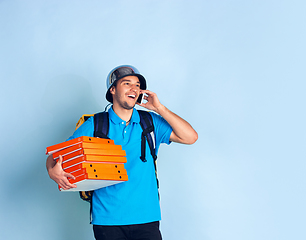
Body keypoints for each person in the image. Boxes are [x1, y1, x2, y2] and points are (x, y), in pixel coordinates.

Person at [46, 65, 198, 240]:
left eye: (137, 85)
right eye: (127, 83)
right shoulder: (95, 124)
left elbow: (190, 137)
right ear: (112, 90)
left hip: (146, 218)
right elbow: (57, 155)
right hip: (107, 220)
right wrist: (52, 171)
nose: (134, 88)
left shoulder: (150, 122)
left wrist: (159, 108)